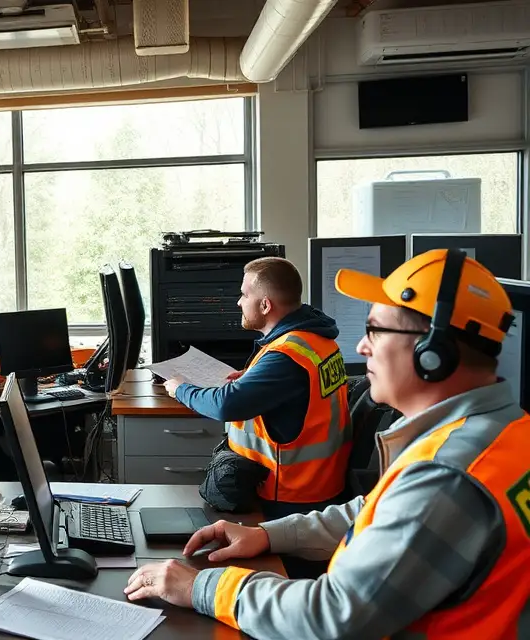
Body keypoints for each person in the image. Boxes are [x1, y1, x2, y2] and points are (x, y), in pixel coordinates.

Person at [123, 249, 530, 638]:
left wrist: (200, 587)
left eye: (376, 330)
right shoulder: (501, 435)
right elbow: (377, 511)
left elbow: (332, 617)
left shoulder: (448, 475)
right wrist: (269, 535)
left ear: (431, 353)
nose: (362, 346)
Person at [164, 258, 352, 523]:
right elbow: (302, 390)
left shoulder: (286, 355)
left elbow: (226, 405)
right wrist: (253, 377)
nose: (238, 302)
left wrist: (181, 389)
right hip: (321, 485)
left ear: (265, 305)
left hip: (291, 498)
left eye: (244, 294)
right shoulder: (315, 339)